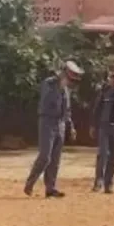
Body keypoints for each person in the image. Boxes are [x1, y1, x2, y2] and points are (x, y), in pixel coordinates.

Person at [24, 60, 82, 198]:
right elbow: (47, 101)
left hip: (60, 123)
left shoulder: (65, 88)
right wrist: (59, 88)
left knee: (55, 159)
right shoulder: (49, 83)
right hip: (47, 121)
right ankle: (30, 183)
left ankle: (50, 188)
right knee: (45, 156)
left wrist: (71, 126)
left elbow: (67, 110)